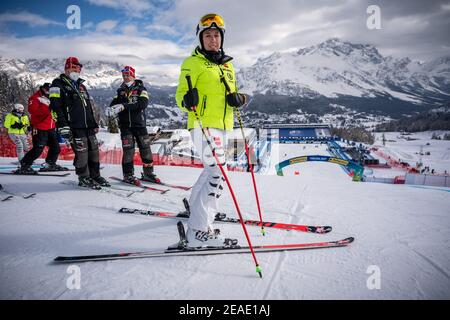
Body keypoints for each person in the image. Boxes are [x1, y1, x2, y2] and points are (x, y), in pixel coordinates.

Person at [175, 13, 248, 247]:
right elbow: (179, 96)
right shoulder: (192, 63)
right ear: (201, 38)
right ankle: (197, 230)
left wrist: (238, 98)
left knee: (211, 171)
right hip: (201, 124)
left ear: (222, 38)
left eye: (216, 35)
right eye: (208, 35)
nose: (213, 39)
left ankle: (197, 212)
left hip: (224, 125)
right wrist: (187, 99)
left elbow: (230, 93)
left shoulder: (227, 65)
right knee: (219, 173)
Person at [49, 57, 110, 188]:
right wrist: (62, 125)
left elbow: (88, 107)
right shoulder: (57, 84)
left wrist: (93, 123)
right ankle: (84, 177)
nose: (76, 70)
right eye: (73, 68)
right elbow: (55, 107)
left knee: (94, 152)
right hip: (74, 126)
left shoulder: (81, 86)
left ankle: (95, 175)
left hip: (88, 126)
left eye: (78, 68)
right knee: (82, 154)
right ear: (66, 68)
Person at [106, 65, 160, 185]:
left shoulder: (141, 89)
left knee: (146, 150)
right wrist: (110, 109)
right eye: (124, 75)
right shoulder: (120, 91)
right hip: (125, 126)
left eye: (128, 75)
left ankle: (148, 173)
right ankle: (128, 175)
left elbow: (143, 104)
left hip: (139, 125)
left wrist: (124, 106)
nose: (125, 77)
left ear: (133, 76)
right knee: (128, 152)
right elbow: (113, 103)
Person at [17, 83, 67, 174]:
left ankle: (50, 164)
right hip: (39, 127)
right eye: (47, 89)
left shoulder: (52, 97)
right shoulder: (36, 97)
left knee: (56, 147)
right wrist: (49, 109)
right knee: (38, 148)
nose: (48, 91)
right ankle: (25, 165)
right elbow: (32, 110)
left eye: (50, 89)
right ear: (43, 88)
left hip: (51, 127)